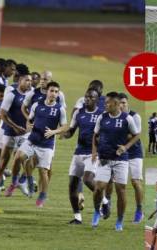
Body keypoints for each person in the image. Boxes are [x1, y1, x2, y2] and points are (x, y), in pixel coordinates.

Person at [6, 81, 67, 208]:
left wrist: (54, 131)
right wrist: (28, 125)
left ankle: (42, 195)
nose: (54, 94)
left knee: (43, 171)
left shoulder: (59, 109)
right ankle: (17, 182)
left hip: (46, 145)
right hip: (32, 140)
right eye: (52, 91)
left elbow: (65, 126)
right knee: (18, 157)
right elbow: (30, 119)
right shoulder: (36, 105)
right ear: (47, 92)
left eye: (56, 92)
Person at [91, 91, 140, 231]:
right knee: (99, 187)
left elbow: (136, 135)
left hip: (121, 160)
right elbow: (95, 135)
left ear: (117, 104)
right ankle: (96, 211)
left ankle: (119, 221)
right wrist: (94, 152)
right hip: (104, 158)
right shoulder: (102, 117)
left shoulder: (127, 119)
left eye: (108, 103)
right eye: (105, 102)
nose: (105, 104)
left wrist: (125, 147)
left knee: (121, 190)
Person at [63, 88, 103, 224]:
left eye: (91, 97)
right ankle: (77, 217)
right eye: (86, 97)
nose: (87, 99)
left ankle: (104, 201)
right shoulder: (78, 113)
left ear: (97, 99)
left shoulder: (101, 115)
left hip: (93, 153)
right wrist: (65, 134)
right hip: (78, 153)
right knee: (72, 185)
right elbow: (72, 130)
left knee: (87, 179)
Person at [0, 72, 31, 197]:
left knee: (24, 160)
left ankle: (16, 183)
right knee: (3, 162)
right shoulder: (11, 95)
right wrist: (15, 127)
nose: (29, 83)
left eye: (30, 80)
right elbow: (3, 114)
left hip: (25, 135)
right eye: (26, 80)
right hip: (11, 133)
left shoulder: (31, 96)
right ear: (19, 81)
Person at [118, 93, 144, 223]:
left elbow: (136, 136)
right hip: (120, 152)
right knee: (117, 183)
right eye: (119, 103)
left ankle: (139, 210)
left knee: (135, 182)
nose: (121, 105)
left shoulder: (135, 116)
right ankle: (106, 205)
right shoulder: (115, 117)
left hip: (134, 152)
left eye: (124, 103)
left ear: (127, 103)